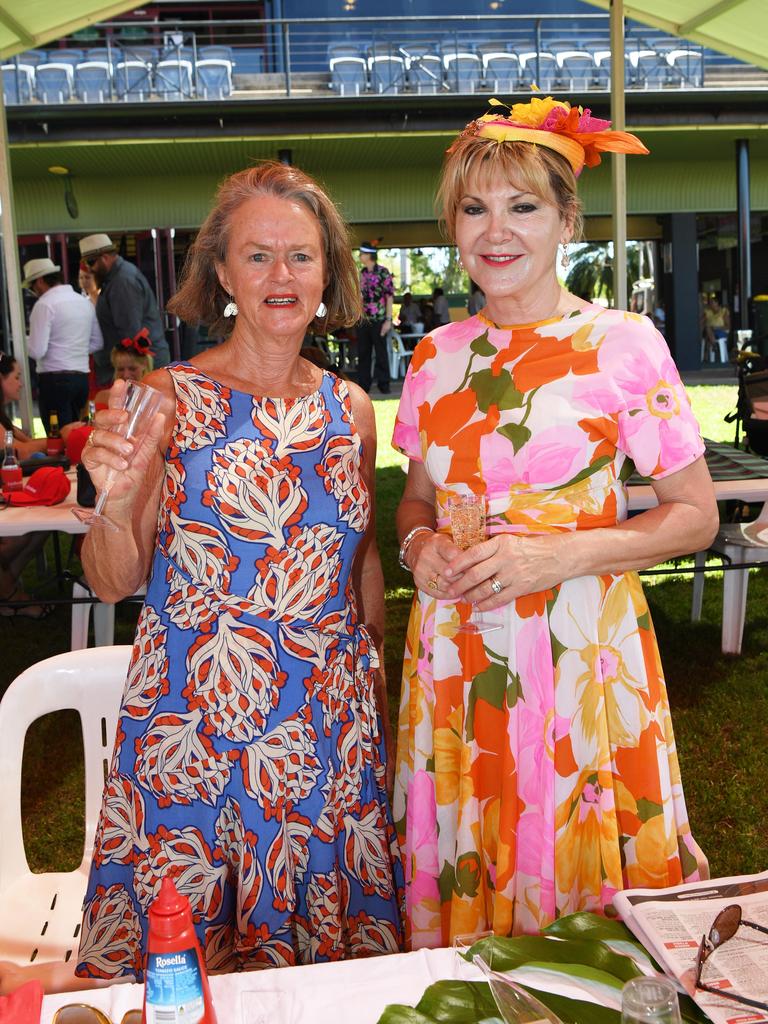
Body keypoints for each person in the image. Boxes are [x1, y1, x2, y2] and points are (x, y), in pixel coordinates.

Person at [391, 96, 718, 949]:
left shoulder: (624, 342)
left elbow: (694, 519)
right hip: (457, 654)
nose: (496, 232)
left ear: (567, 219)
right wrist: (417, 546)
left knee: (582, 903)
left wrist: (556, 556)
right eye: (475, 208)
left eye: (523, 206)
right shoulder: (436, 356)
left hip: (580, 652)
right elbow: (416, 500)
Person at [69, 161, 403, 984]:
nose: (280, 276)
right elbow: (112, 581)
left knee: (328, 983)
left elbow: (359, 569)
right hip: (197, 739)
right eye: (257, 257)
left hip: (327, 739)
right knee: (193, 980)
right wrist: (111, 497)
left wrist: (381, 699)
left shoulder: (350, 409)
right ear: (220, 273)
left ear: (329, 271)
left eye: (300, 255)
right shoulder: (165, 398)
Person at [78, 233, 171, 388]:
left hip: (137, 369)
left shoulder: (122, 282)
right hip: (134, 367)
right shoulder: (117, 279)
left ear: (105, 257)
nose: (90, 268)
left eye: (91, 262)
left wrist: (125, 372)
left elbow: (130, 333)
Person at [23, 257, 103, 432]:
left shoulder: (44, 304)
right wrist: (74, 351)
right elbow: (97, 342)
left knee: (57, 438)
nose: (34, 291)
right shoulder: (84, 303)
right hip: (81, 378)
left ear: (40, 281)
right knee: (79, 432)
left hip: (54, 379)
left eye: (32, 286)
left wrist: (24, 341)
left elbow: (37, 350)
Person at [357, 241, 393, 394]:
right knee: (363, 353)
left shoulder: (383, 272)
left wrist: (388, 320)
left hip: (379, 319)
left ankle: (384, 385)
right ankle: (364, 386)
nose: (359, 256)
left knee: (381, 352)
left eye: (362, 253)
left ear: (369, 255)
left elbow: (389, 296)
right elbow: (358, 296)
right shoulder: (362, 273)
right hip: (364, 319)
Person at [92, 329, 154, 408]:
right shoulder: (103, 397)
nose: (126, 375)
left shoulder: (154, 398)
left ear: (145, 365)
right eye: (120, 369)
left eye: (132, 369)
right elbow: (90, 419)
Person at [703, 295, 730, 362]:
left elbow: (728, 326)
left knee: (708, 332)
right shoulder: (708, 312)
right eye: (710, 303)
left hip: (721, 331)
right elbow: (700, 322)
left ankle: (708, 353)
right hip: (710, 331)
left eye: (712, 302)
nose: (711, 304)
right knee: (707, 328)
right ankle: (714, 345)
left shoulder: (723, 311)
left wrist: (717, 327)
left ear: (717, 303)